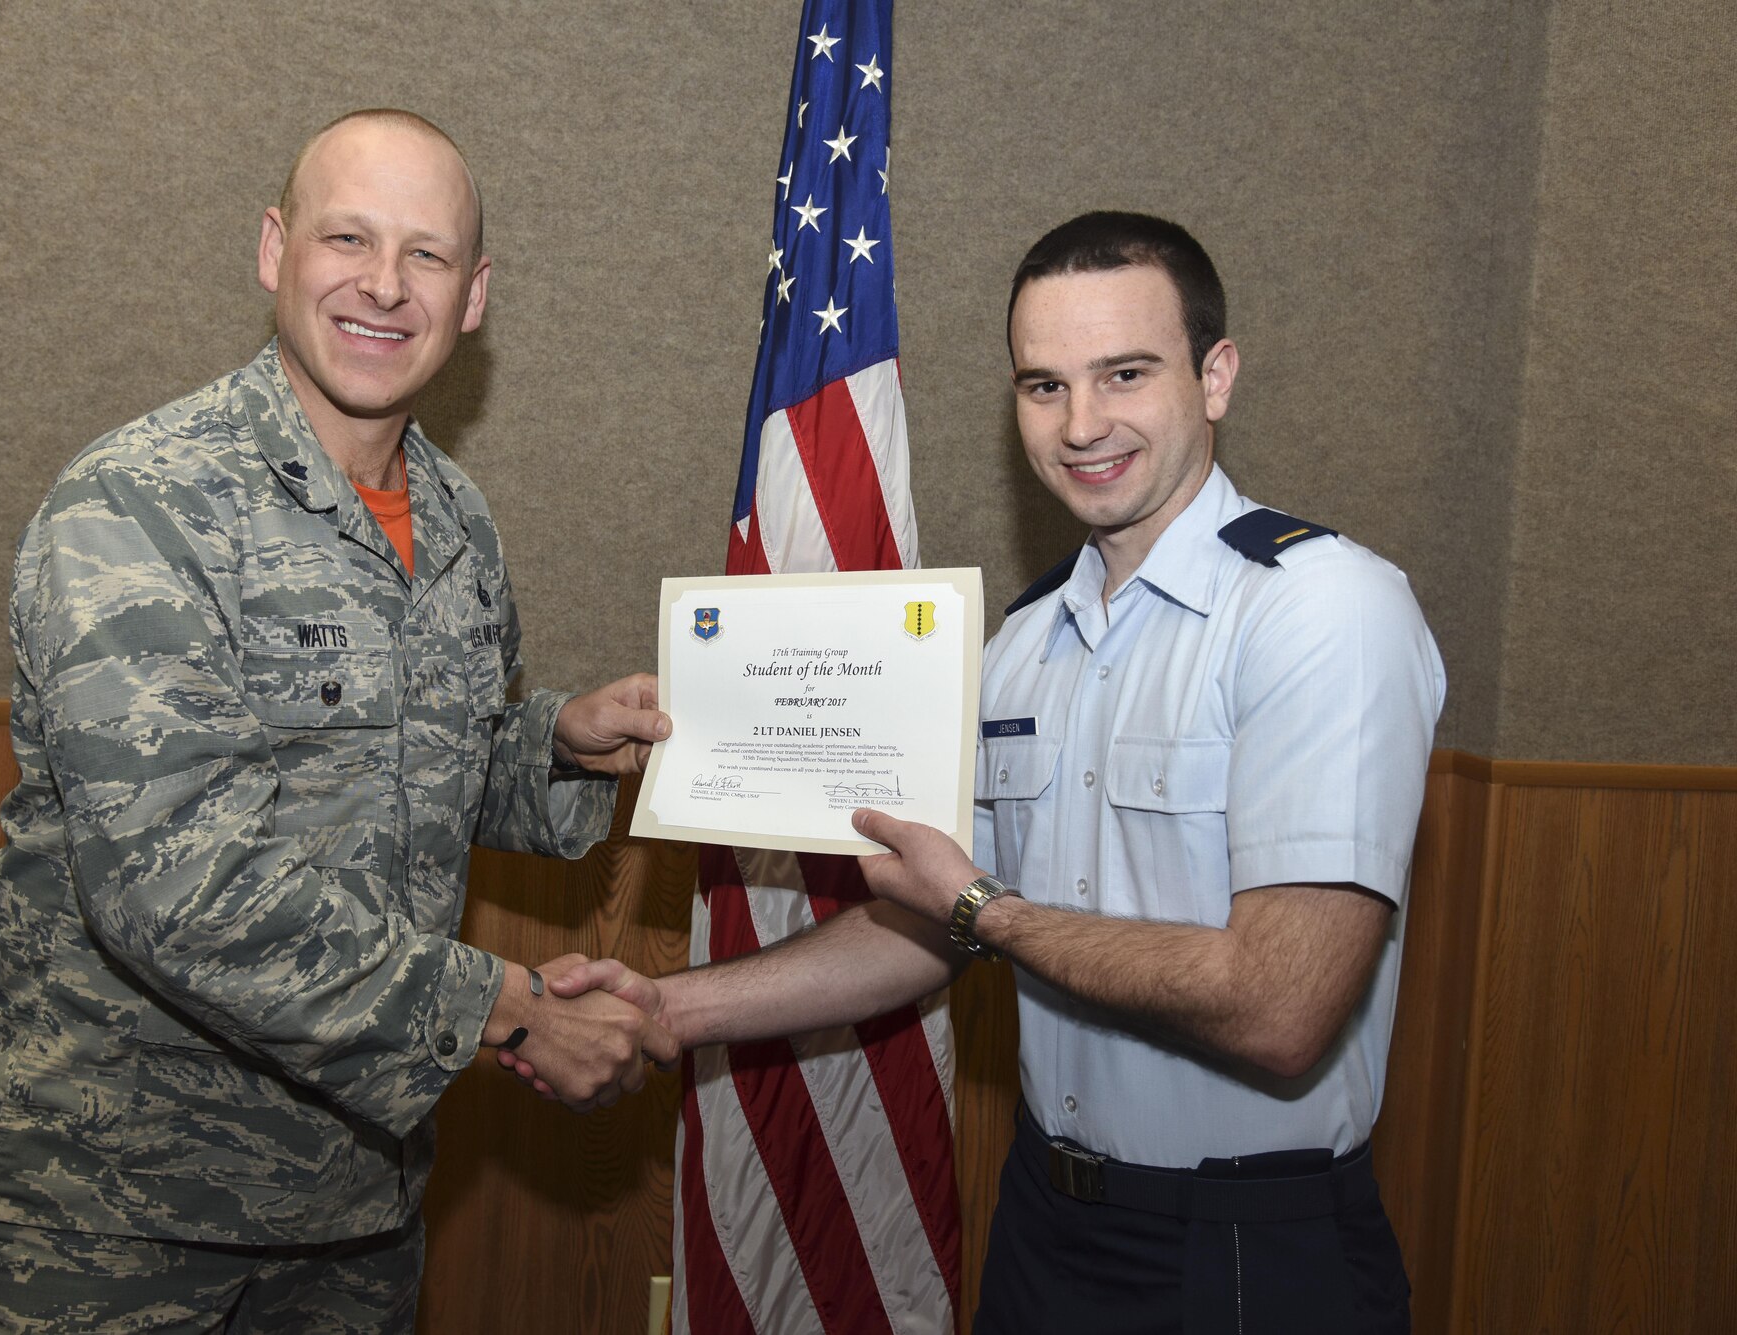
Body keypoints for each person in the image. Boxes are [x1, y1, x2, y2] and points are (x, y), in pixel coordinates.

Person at [536, 212, 1444, 1333]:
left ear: (1214, 377)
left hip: (1243, 1252)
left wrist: (983, 910)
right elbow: (927, 918)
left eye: (1124, 374)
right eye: (1042, 385)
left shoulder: (1320, 612)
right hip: (1046, 1229)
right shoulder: (1016, 648)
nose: (1081, 425)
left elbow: (1282, 1004)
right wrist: (670, 1008)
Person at [0, 108, 678, 1333]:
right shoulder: (139, 504)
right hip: (107, 1214)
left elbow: (406, 771)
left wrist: (546, 742)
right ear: (275, 250)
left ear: (474, 295)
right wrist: (511, 1008)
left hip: (351, 1208)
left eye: (427, 257)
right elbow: (177, 883)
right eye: (348, 238)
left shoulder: (456, 521)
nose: (384, 286)